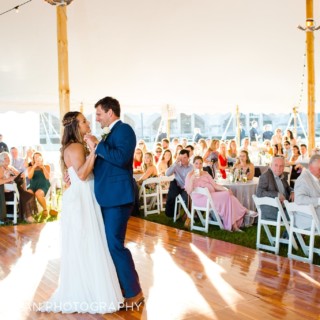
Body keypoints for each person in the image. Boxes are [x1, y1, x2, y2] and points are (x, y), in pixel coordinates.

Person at [40, 111, 123, 313]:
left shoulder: (74, 146)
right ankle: (91, 293)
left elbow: (77, 174)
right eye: (84, 121)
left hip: (81, 197)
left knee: (85, 243)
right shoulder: (77, 147)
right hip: (82, 198)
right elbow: (83, 175)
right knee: (88, 242)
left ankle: (88, 289)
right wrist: (94, 150)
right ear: (76, 126)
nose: (88, 123)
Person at [85, 96, 143, 308]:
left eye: (99, 113)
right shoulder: (109, 134)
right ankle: (119, 287)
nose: (97, 118)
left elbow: (121, 158)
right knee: (109, 244)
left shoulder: (125, 130)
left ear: (110, 112)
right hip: (107, 196)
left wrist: (97, 145)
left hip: (118, 197)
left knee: (115, 244)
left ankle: (134, 292)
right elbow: (104, 165)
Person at [185, 156, 257, 231]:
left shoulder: (205, 173)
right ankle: (245, 211)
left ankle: (234, 226)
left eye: (200, 163)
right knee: (227, 195)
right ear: (193, 164)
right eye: (196, 163)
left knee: (229, 197)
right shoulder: (189, 175)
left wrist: (226, 189)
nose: (198, 166)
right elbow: (188, 191)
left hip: (211, 196)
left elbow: (215, 185)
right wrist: (192, 179)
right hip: (201, 199)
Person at [256, 156, 294, 220]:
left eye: (281, 166)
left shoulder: (281, 176)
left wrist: (292, 191)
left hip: (284, 207)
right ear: (271, 165)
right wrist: (277, 194)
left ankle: (288, 230)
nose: (278, 168)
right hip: (272, 210)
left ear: (284, 167)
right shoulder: (266, 176)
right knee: (297, 216)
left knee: (299, 213)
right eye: (276, 165)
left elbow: (287, 187)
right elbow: (259, 193)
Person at [164, 149, 193, 217]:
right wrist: (175, 162)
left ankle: (188, 214)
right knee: (181, 197)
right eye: (181, 157)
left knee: (188, 198)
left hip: (188, 188)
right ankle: (173, 213)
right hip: (177, 187)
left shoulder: (192, 167)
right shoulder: (176, 165)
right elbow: (167, 174)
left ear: (188, 158)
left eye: (185, 157)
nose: (182, 159)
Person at [294, 154, 320, 229]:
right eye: (319, 169)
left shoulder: (315, 177)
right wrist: (318, 201)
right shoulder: (303, 179)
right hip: (309, 220)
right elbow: (299, 199)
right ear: (311, 167)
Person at [27, 152, 51, 218]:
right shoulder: (30, 167)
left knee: (38, 193)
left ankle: (45, 209)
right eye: (35, 157)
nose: (37, 159)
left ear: (41, 158)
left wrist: (42, 167)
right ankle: (32, 212)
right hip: (33, 185)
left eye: (38, 157)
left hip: (43, 185)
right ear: (34, 159)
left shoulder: (46, 166)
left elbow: (47, 177)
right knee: (29, 193)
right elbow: (29, 177)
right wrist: (33, 167)